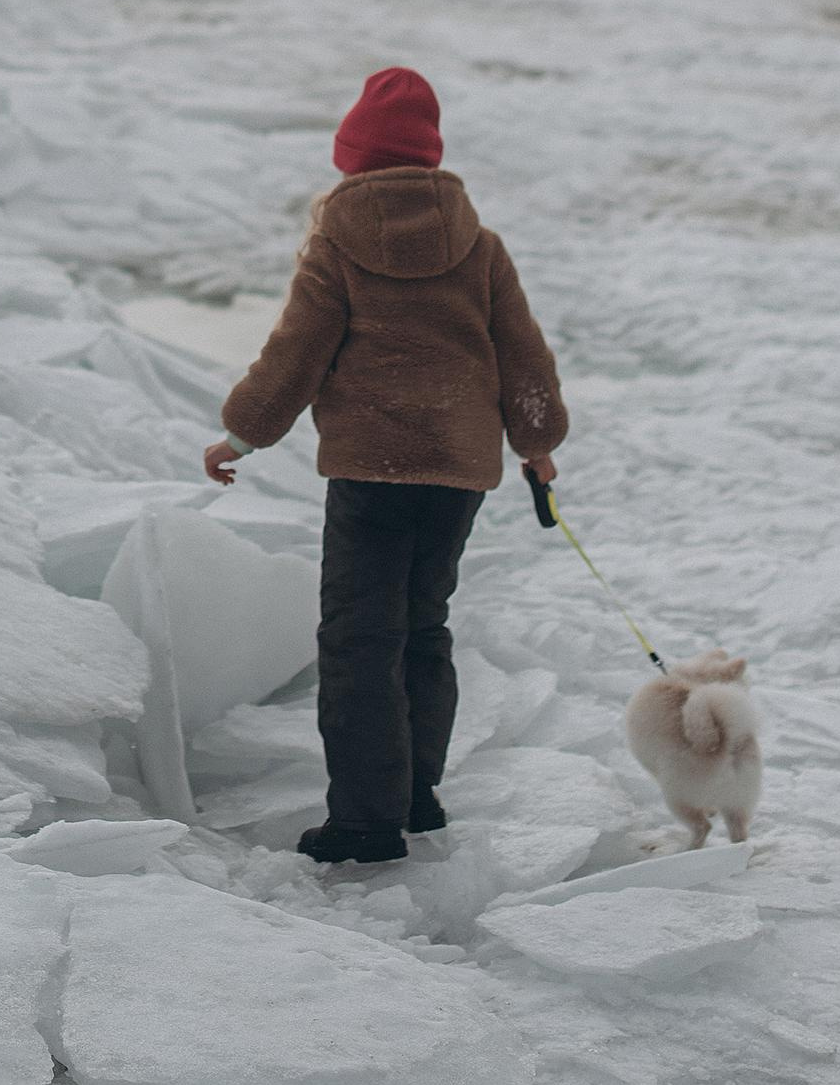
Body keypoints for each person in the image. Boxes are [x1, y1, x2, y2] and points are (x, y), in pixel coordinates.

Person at [202, 66, 567, 865]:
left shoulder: (338, 245)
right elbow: (523, 355)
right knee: (422, 627)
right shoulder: (481, 247)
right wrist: (536, 443)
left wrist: (243, 435)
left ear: (352, 158)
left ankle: (366, 822)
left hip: (371, 471)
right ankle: (413, 796)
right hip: (458, 472)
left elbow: (296, 354)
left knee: (359, 639)